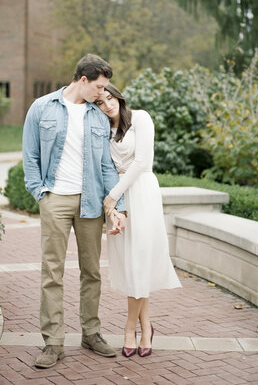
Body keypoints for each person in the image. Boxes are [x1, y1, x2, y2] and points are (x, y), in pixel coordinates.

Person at [22, 54, 126, 369]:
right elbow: (31, 154)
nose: (103, 93)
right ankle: (53, 343)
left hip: (92, 201)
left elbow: (107, 166)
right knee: (51, 272)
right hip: (55, 198)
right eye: (99, 86)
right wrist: (40, 193)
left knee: (92, 271)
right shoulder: (42, 108)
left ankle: (91, 333)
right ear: (83, 79)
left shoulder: (98, 116)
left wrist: (116, 206)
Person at [96, 84, 181, 357]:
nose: (108, 105)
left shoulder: (141, 118)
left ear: (118, 96)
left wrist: (112, 195)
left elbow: (142, 162)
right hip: (119, 200)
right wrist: (113, 205)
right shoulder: (103, 131)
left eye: (110, 98)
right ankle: (146, 324)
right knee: (131, 263)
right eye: (100, 102)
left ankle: (129, 326)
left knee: (140, 259)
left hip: (142, 193)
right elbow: (106, 168)